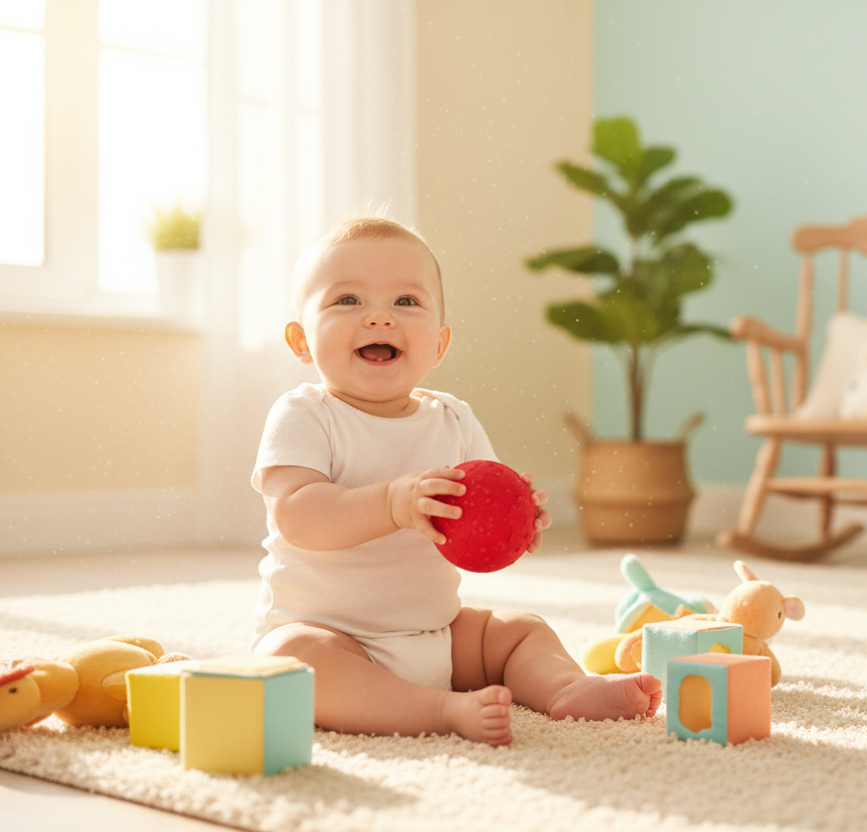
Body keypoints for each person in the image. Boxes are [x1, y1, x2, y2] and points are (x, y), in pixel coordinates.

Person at [251, 215, 661, 745]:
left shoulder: (454, 418)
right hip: (331, 635)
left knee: (519, 632)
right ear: (300, 340)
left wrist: (519, 520)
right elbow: (298, 515)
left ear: (440, 344)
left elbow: (480, 514)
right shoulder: (305, 415)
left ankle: (565, 689)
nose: (379, 318)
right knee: (290, 662)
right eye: (347, 301)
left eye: (406, 302)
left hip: (437, 633)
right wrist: (393, 504)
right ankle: (441, 710)